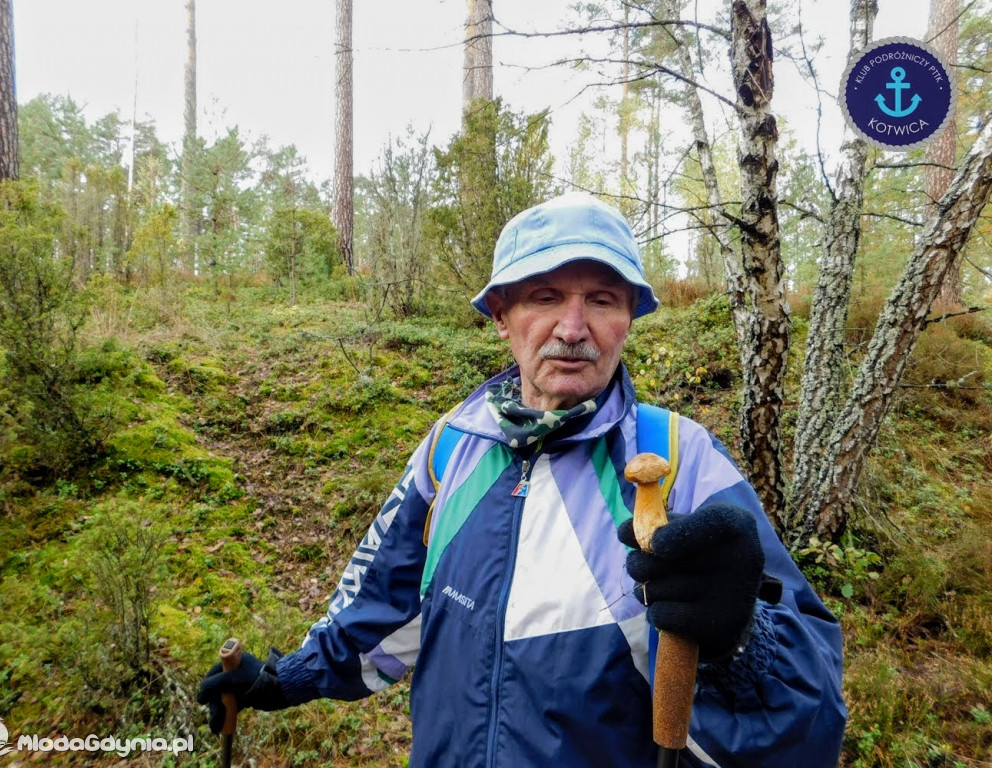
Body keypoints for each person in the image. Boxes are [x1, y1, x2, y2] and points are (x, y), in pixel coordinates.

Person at [198, 193, 847, 766]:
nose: (572, 328)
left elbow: (809, 722)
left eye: (601, 299)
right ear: (502, 316)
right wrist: (280, 681)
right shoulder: (451, 450)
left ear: (629, 319)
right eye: (544, 297)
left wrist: (742, 641)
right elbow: (381, 613)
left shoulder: (680, 460)